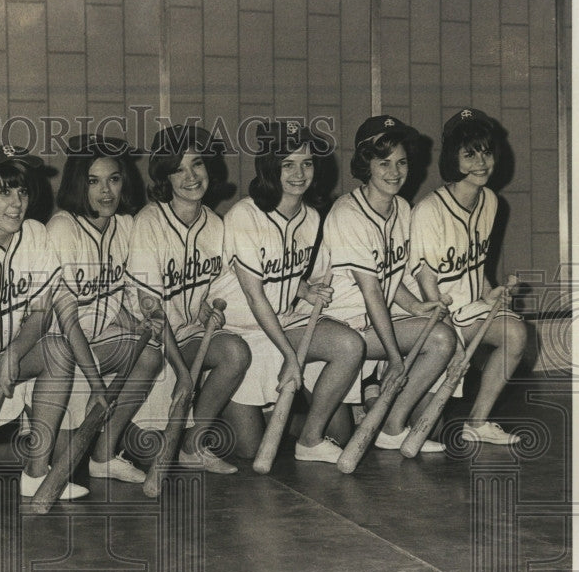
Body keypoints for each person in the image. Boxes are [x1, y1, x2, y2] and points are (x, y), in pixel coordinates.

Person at [0, 144, 105, 500]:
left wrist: (15, 352)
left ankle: (35, 472)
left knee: (59, 350)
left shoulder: (34, 234)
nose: (17, 202)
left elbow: (41, 312)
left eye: (22, 190)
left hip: (9, 354)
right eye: (4, 192)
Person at [211, 121, 365, 464]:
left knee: (349, 347)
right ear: (270, 168)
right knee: (249, 450)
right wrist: (291, 357)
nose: (299, 173)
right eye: (288, 164)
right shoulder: (244, 215)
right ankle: (219, 408)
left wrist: (306, 290)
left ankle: (308, 437)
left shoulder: (310, 217)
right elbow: (254, 296)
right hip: (242, 333)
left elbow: (279, 271)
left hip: (281, 323)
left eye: (307, 163)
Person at [306, 115, 456, 453]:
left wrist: (416, 307)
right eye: (383, 162)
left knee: (442, 336)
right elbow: (371, 290)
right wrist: (395, 357)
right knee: (339, 438)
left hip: (367, 329)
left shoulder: (402, 208)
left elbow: (389, 276)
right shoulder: (347, 213)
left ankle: (391, 425)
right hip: (331, 328)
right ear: (365, 165)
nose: (395, 171)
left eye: (402, 162)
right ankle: (294, 420)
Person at [126, 124, 251, 474]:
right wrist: (183, 373)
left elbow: (215, 289)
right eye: (178, 169)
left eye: (197, 164)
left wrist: (209, 309)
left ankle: (194, 446)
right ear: (165, 176)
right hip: (145, 347)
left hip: (184, 337)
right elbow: (150, 309)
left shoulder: (214, 224)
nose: (191, 176)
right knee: (149, 453)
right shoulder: (148, 223)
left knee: (235, 351)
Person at [47, 134, 164, 484]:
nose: (106, 191)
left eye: (113, 179)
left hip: (102, 342)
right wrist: (97, 384)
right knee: (64, 461)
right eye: (93, 181)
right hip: (60, 351)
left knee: (150, 355)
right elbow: (66, 320)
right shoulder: (62, 228)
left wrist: (143, 315)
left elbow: (127, 290)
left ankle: (105, 454)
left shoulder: (124, 225)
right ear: (77, 184)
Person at [409, 108, 526, 444]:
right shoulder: (429, 211)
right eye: (469, 154)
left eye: (486, 153)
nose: (481, 162)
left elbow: (476, 265)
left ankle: (477, 423)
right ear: (452, 158)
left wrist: (490, 293)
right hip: (431, 315)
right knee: (427, 430)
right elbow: (426, 283)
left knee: (515, 334)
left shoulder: (490, 201)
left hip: (469, 309)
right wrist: (451, 344)